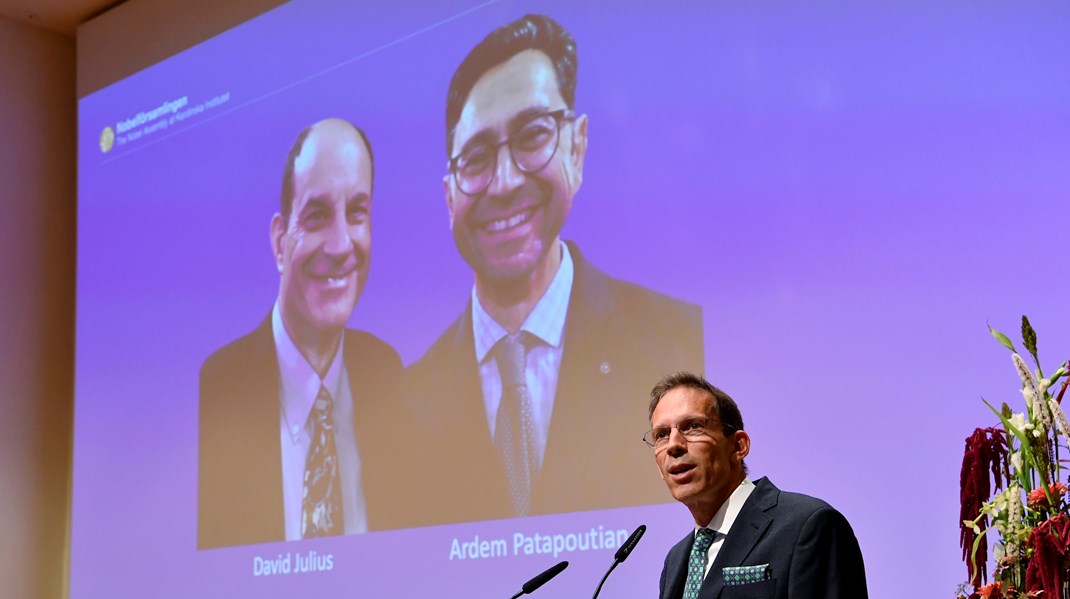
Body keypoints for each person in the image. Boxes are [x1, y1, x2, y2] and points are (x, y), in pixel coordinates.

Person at [407, 14, 703, 524]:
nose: (503, 182)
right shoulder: (406, 400)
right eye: (475, 158)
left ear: (577, 144)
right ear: (449, 194)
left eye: (531, 135)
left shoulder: (675, 338)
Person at [198, 118, 407, 549]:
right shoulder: (218, 389)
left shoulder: (389, 375)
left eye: (357, 214)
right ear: (279, 242)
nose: (340, 245)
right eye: (316, 216)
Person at [647, 371, 868, 598]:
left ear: (738, 446)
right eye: (662, 435)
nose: (674, 445)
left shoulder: (808, 526)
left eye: (693, 426)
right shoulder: (676, 560)